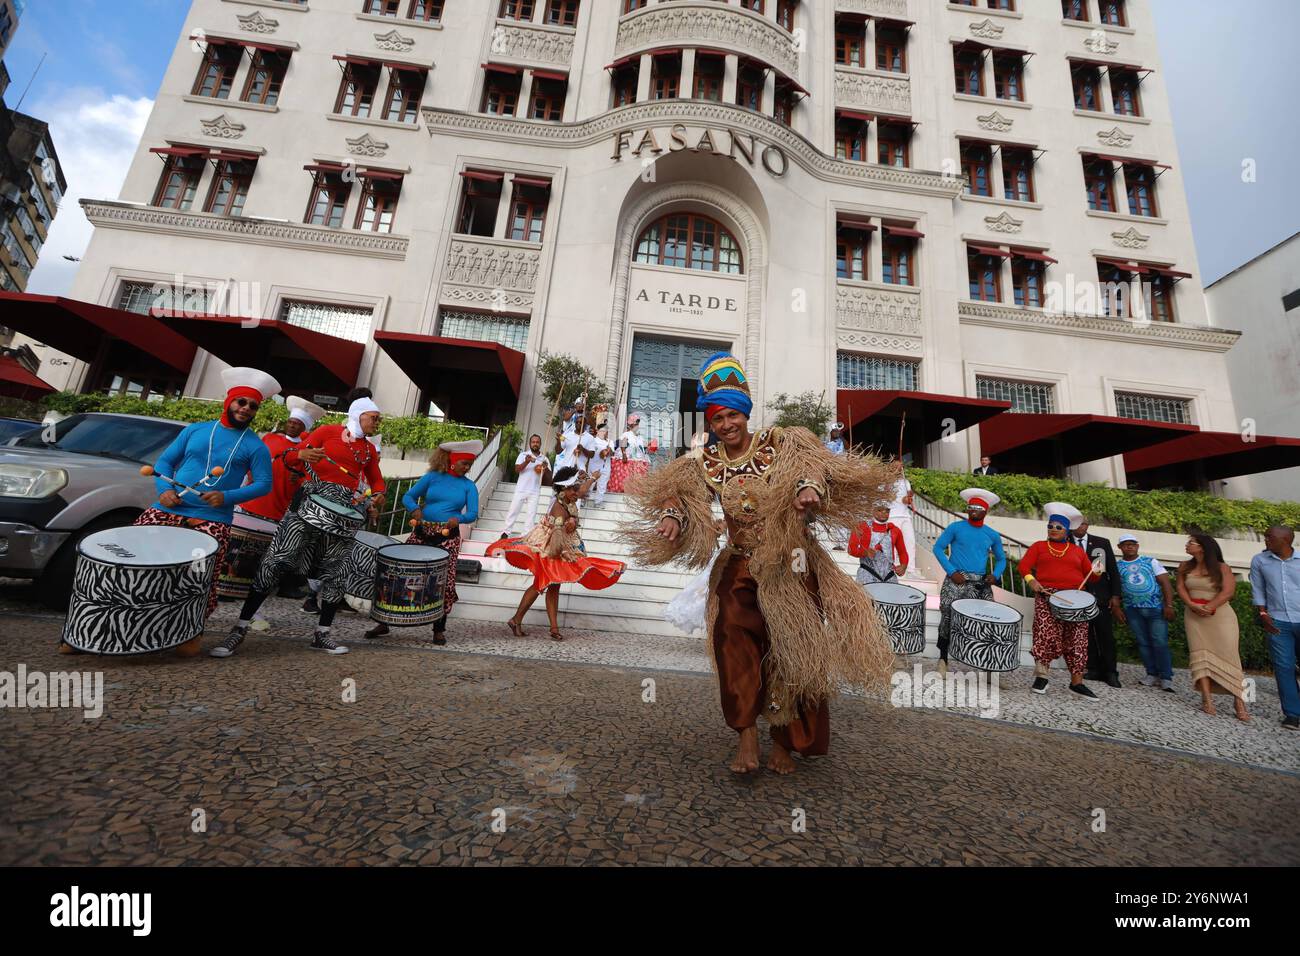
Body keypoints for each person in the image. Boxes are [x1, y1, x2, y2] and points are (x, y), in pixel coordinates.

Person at [628, 352, 895, 776]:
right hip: (739, 564)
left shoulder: (780, 443)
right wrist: (672, 518)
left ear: (745, 414)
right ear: (710, 424)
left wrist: (808, 492)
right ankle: (747, 734)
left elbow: (811, 469)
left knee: (793, 650)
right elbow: (680, 495)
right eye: (718, 420)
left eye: (733, 415)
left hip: (790, 561)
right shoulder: (705, 462)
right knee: (731, 638)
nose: (727, 425)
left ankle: (786, 741)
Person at [60, 367, 278, 657]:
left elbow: (264, 484)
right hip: (165, 508)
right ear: (229, 402)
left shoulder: (255, 445)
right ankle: (91, 630)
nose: (246, 409)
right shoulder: (195, 430)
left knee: (198, 579)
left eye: (253, 406)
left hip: (212, 520)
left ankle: (187, 634)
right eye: (242, 402)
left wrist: (227, 496)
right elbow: (163, 465)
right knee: (125, 564)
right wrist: (163, 489)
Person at [213, 396, 387, 657]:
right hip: (306, 505)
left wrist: (378, 494)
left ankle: (322, 634)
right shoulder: (327, 432)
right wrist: (302, 453)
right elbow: (289, 457)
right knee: (275, 562)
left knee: (336, 573)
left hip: (343, 516)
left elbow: (377, 479)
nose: (377, 422)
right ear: (359, 414)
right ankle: (239, 629)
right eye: (374, 417)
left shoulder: (368, 450)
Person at [488, 466, 624, 641]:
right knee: (543, 583)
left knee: (550, 584)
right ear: (564, 488)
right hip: (551, 549)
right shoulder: (558, 508)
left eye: (576, 487)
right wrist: (568, 538)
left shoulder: (567, 498)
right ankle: (521, 621)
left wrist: (593, 478)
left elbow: (581, 492)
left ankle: (545, 625)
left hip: (558, 545)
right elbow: (557, 536)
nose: (577, 492)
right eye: (573, 488)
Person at [367, 439, 482, 646]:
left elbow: (473, 513)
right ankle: (383, 622)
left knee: (443, 581)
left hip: (448, 537)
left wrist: (460, 519)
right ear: (452, 461)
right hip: (421, 531)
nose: (467, 468)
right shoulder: (432, 477)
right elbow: (408, 496)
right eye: (464, 463)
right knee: (398, 574)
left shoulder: (469, 486)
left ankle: (438, 629)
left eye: (469, 465)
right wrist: (414, 509)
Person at [240, 396, 326, 628]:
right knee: (241, 557)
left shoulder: (308, 451)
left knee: (268, 562)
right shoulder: (270, 439)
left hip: (281, 510)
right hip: (253, 504)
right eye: (290, 421)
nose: (292, 425)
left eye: (298, 423)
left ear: (305, 427)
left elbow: (312, 478)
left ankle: (254, 607)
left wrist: (300, 478)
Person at [1020, 503, 1099, 700]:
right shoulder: (1039, 546)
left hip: (1075, 599)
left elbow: (1092, 577)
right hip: (1047, 596)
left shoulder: (1077, 551)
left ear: (1066, 530)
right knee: (1045, 634)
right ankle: (1042, 677)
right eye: (1050, 526)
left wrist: (1097, 571)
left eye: (1058, 527)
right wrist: (1033, 581)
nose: (1053, 530)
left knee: (1078, 639)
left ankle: (1077, 682)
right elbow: (1024, 567)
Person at [932, 488, 1006, 673]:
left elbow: (1002, 559)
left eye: (977, 507)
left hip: (980, 583)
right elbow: (938, 548)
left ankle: (989, 667)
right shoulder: (955, 528)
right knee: (948, 614)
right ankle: (943, 659)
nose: (973, 510)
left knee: (989, 620)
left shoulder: (992, 534)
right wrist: (951, 571)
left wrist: (995, 575)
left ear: (985, 511)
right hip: (956, 578)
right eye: (970, 506)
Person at [1178, 533, 1249, 721]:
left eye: (1191, 543)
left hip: (1221, 616)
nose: (1187, 545)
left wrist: (1210, 607)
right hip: (1194, 615)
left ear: (1202, 547)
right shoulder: (1185, 566)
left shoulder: (1222, 567)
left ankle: (1240, 701)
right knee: (1200, 654)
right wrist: (1192, 605)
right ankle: (1207, 699)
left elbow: (1228, 592)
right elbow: (1181, 588)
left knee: (1231, 656)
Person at [1250, 525, 1300, 730]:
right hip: (1277, 620)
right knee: (1284, 667)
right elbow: (1258, 588)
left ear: (1286, 539)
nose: (1266, 540)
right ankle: (1293, 715)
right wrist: (1263, 613)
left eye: (1270, 537)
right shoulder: (1260, 560)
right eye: (1265, 537)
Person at [1114, 533, 1175, 691]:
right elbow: (1115, 589)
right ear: (1120, 547)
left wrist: (1169, 605)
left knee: (1160, 641)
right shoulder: (1117, 566)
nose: (1130, 546)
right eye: (1126, 544)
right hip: (1132, 609)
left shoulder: (1150, 561)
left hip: (1155, 608)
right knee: (1143, 642)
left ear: (1138, 546)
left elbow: (1165, 583)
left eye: (1133, 544)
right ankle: (1151, 673)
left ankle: (1166, 676)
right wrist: (1117, 607)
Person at [1073, 517, 1122, 688]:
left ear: (1088, 525)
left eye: (1084, 523)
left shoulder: (1101, 543)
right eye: (1077, 524)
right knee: (1085, 635)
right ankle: (1093, 668)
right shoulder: (1066, 542)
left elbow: (1113, 571)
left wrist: (1115, 596)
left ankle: (1110, 672)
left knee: (1105, 636)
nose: (1081, 527)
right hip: (1078, 597)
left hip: (1101, 596)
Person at [501, 434, 550, 539]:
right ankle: (505, 533)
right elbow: (517, 469)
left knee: (531, 515)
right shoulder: (523, 455)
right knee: (513, 511)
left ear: (540, 444)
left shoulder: (544, 458)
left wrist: (544, 469)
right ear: (530, 443)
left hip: (535, 490)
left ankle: (526, 535)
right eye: (533, 442)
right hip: (521, 488)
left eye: (537, 442)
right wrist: (527, 462)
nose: (535, 444)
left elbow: (549, 479)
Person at [849, 503, 908, 586]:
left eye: (887, 511)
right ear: (872, 510)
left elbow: (902, 552)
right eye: (880, 510)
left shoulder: (895, 530)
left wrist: (903, 566)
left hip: (889, 575)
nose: (884, 513)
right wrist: (865, 552)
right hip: (867, 573)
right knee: (867, 598)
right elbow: (851, 549)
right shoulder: (861, 526)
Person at [887, 460, 919, 574]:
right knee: (893, 542)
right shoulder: (885, 481)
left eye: (900, 467)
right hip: (892, 516)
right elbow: (887, 498)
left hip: (905, 516)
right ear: (890, 467)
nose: (899, 469)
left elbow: (906, 500)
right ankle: (894, 567)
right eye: (896, 466)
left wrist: (910, 499)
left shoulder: (906, 482)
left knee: (910, 541)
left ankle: (911, 569)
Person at [608, 413, 649, 494]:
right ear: (632, 424)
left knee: (636, 480)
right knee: (626, 478)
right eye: (636, 423)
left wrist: (649, 446)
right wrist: (624, 455)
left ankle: (634, 493)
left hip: (637, 460)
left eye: (638, 423)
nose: (637, 425)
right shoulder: (627, 434)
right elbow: (623, 444)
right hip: (628, 460)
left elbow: (642, 448)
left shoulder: (639, 436)